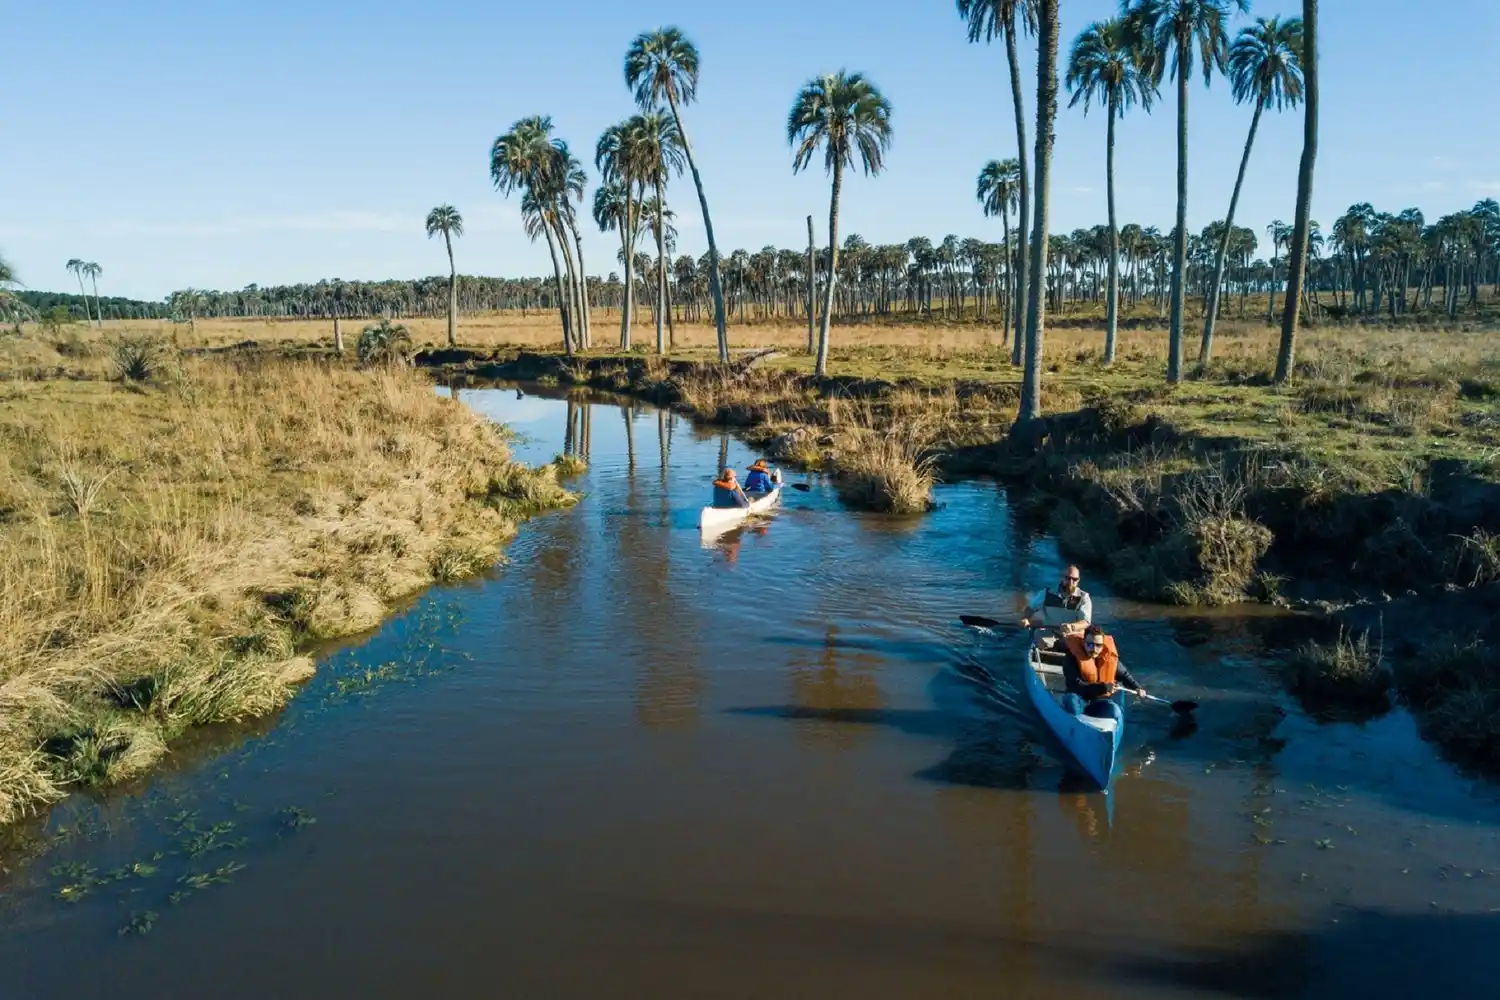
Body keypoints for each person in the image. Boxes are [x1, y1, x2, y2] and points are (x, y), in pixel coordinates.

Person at [1059, 624, 1145, 721]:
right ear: (1083, 643)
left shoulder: (1108, 658)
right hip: (1079, 698)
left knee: (1114, 711)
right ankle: (1075, 723)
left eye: (1098, 645)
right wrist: (1104, 687)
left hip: (1098, 701)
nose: (1094, 649)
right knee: (1071, 700)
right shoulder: (1071, 658)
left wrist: (1137, 688)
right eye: (1090, 644)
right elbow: (1075, 686)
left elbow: (1125, 675)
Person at [1020, 565, 1092, 630]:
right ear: (1062, 578)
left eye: (1074, 579)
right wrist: (1025, 618)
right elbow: (1031, 608)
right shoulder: (1047, 593)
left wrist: (1072, 626)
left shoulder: (1084, 597)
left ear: (1078, 580)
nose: (1070, 582)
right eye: (1068, 578)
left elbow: (1086, 622)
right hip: (1048, 632)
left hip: (1071, 634)